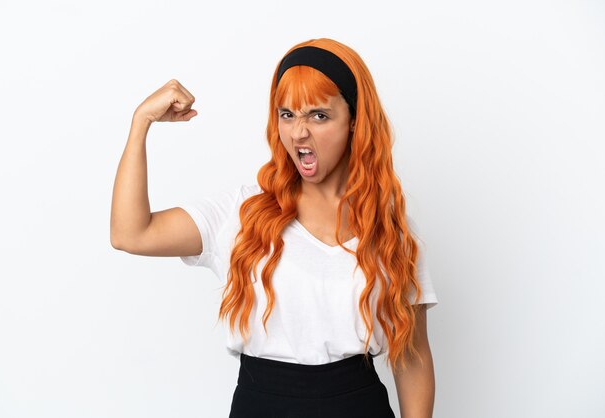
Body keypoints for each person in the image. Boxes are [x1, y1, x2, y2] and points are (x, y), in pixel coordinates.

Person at [110, 38, 438, 418]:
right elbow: (130, 233)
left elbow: (411, 358)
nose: (299, 133)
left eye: (318, 115)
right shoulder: (242, 212)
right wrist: (141, 124)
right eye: (287, 114)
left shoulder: (391, 230)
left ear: (354, 121)